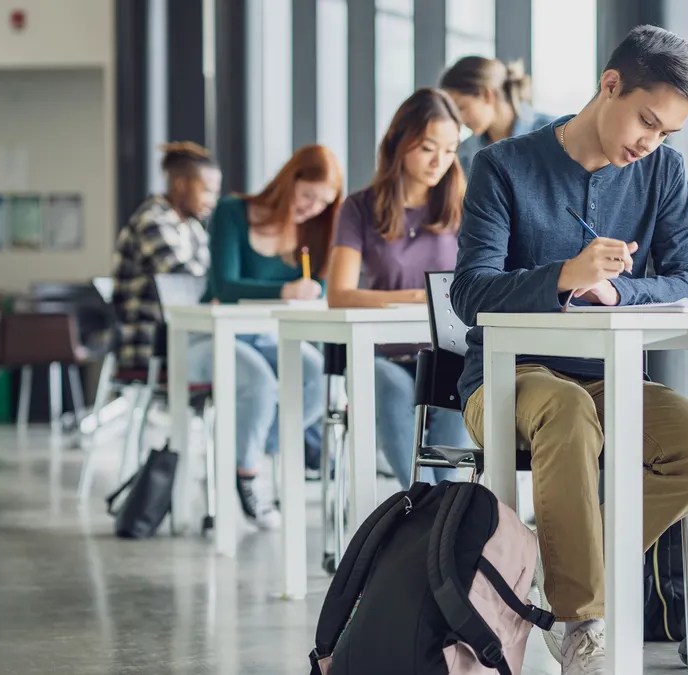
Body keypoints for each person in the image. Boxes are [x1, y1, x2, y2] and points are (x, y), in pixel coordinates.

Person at [451, 26, 688, 675]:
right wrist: (563, 277)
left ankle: (562, 564)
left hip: (607, 379)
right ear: (610, 85)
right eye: (646, 121)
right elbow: (469, 293)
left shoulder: (661, 171)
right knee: (568, 410)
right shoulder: (503, 166)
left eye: (666, 132)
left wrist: (619, 292)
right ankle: (580, 619)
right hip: (505, 378)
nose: (650, 143)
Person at [326, 88, 472, 488]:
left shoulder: (463, 205)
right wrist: (413, 297)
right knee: (389, 388)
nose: (439, 161)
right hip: (381, 355)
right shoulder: (358, 209)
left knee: (459, 388)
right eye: (427, 148)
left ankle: (441, 516)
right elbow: (339, 294)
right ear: (398, 142)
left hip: (447, 352)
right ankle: (421, 503)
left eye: (449, 150)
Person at [195, 144, 343, 530]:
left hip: (262, 336)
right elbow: (224, 286)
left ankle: (252, 451)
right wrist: (285, 292)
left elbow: (323, 284)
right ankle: (247, 475)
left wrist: (313, 289)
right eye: (308, 195)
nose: (313, 207)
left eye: (323, 202)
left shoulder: (311, 229)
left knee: (316, 373)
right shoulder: (232, 212)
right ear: (288, 180)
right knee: (261, 383)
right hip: (212, 336)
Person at [110, 142, 221, 373]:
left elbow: (209, 277)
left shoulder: (192, 228)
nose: (212, 201)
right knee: (233, 364)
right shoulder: (152, 220)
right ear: (181, 185)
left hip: (183, 337)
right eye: (207, 191)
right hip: (149, 344)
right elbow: (187, 279)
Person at [440, 56, 554, 175]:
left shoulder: (554, 134)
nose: (458, 119)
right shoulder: (465, 154)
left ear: (487, 95)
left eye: (461, 107)